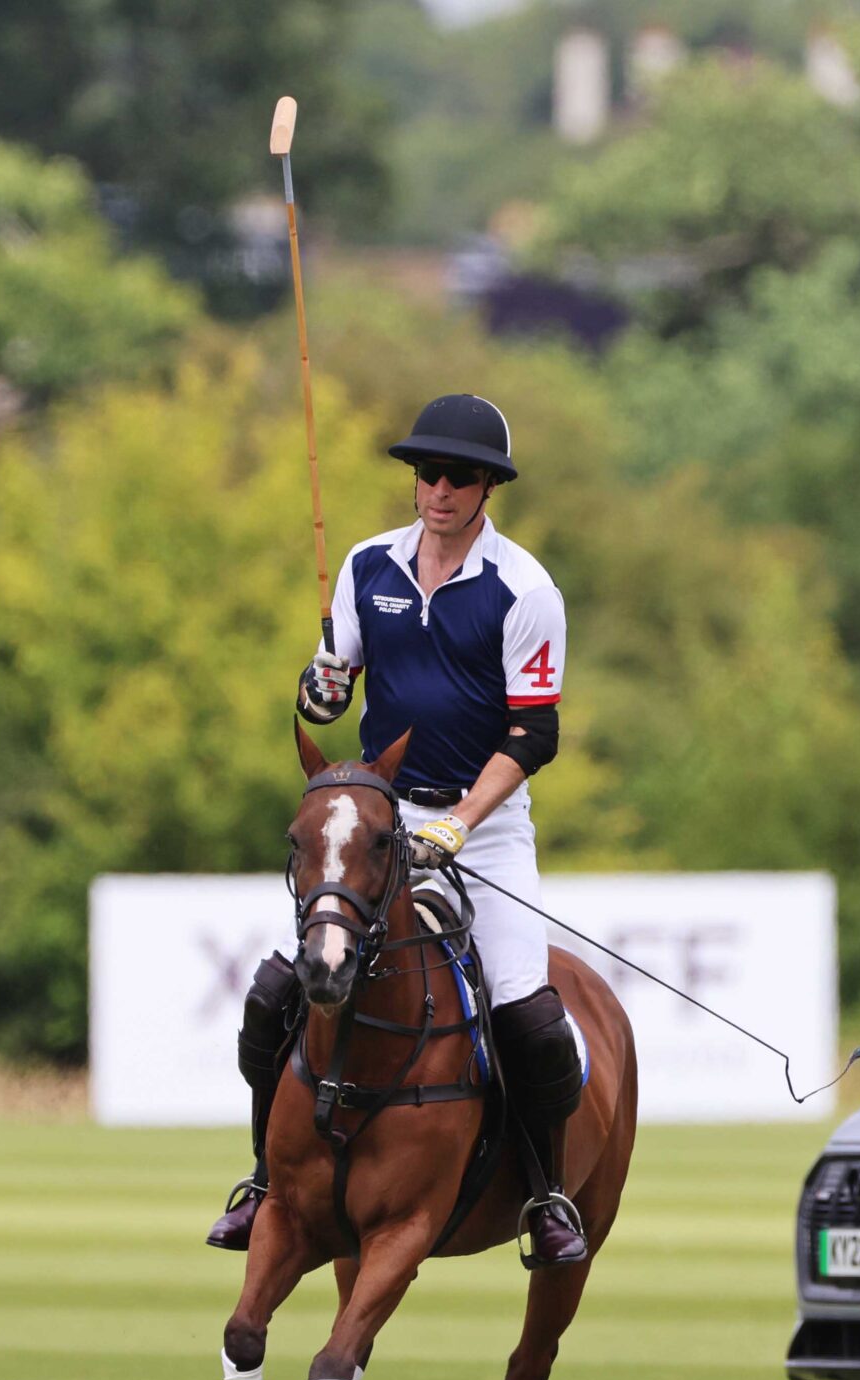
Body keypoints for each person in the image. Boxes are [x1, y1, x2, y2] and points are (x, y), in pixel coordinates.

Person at [208, 393, 589, 1267]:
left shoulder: (524, 590)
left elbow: (535, 735)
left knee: (529, 1019)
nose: (439, 490)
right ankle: (264, 1179)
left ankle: (547, 1194)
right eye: (427, 473)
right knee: (279, 994)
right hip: (376, 818)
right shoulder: (366, 566)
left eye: (458, 477)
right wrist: (319, 692)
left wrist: (458, 825)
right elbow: (332, 681)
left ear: (488, 486)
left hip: (481, 825)